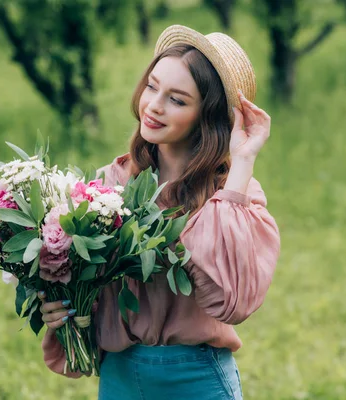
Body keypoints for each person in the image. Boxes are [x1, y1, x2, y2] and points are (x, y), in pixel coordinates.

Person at [38, 24, 280, 400]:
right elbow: (85, 285)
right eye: (152, 86)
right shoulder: (109, 183)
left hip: (196, 380)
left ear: (207, 116)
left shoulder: (234, 195)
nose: (153, 105)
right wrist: (61, 306)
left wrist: (243, 160)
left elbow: (229, 301)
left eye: (177, 100)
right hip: (120, 377)